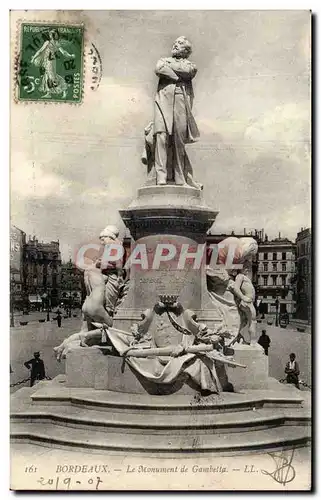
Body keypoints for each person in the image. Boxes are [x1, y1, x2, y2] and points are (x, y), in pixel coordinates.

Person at [143, 36, 201, 188]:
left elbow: (188, 71)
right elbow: (159, 68)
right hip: (162, 100)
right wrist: (177, 77)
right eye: (175, 43)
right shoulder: (163, 60)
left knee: (178, 139)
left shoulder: (190, 65)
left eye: (180, 44)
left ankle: (180, 178)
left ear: (186, 51)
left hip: (181, 100)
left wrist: (171, 71)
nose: (175, 45)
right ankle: (160, 177)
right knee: (161, 136)